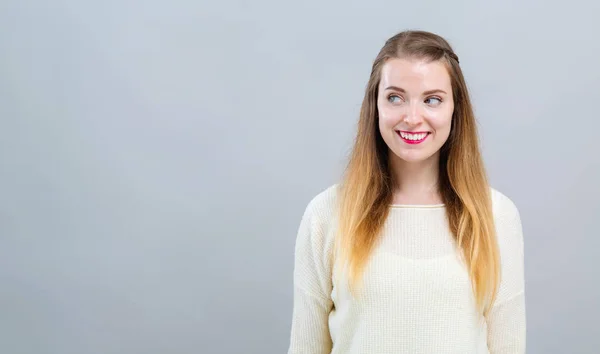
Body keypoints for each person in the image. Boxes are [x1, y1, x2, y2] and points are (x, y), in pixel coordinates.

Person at [287, 30, 526, 354]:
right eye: (395, 97)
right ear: (375, 105)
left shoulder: (496, 216)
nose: (413, 118)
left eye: (432, 99)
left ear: (455, 110)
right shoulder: (326, 214)